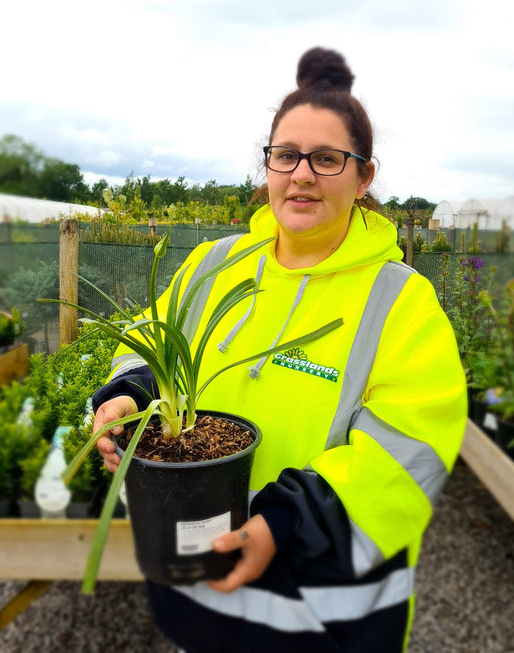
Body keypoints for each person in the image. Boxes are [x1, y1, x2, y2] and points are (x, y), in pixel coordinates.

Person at [92, 47, 467, 652]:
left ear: (364, 176)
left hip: (322, 611)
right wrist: (129, 398)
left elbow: (409, 450)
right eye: (286, 155)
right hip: (202, 587)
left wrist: (283, 523)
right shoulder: (217, 264)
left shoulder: (400, 300)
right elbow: (148, 339)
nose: (301, 175)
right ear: (266, 165)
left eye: (327, 159)